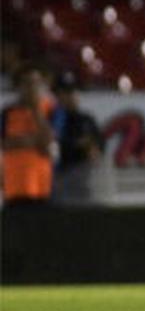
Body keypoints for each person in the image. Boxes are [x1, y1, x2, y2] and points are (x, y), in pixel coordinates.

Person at [2, 66, 55, 206]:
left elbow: (48, 142)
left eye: (36, 83)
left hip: (42, 187)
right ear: (18, 86)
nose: (32, 88)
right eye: (27, 83)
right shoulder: (8, 112)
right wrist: (30, 141)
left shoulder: (50, 109)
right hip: (14, 187)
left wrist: (36, 110)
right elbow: (3, 143)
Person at [50, 73, 104, 205]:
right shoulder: (53, 118)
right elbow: (54, 149)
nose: (71, 96)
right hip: (58, 182)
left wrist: (91, 147)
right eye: (66, 92)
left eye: (73, 91)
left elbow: (98, 146)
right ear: (57, 96)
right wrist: (77, 144)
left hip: (84, 181)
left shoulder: (86, 119)